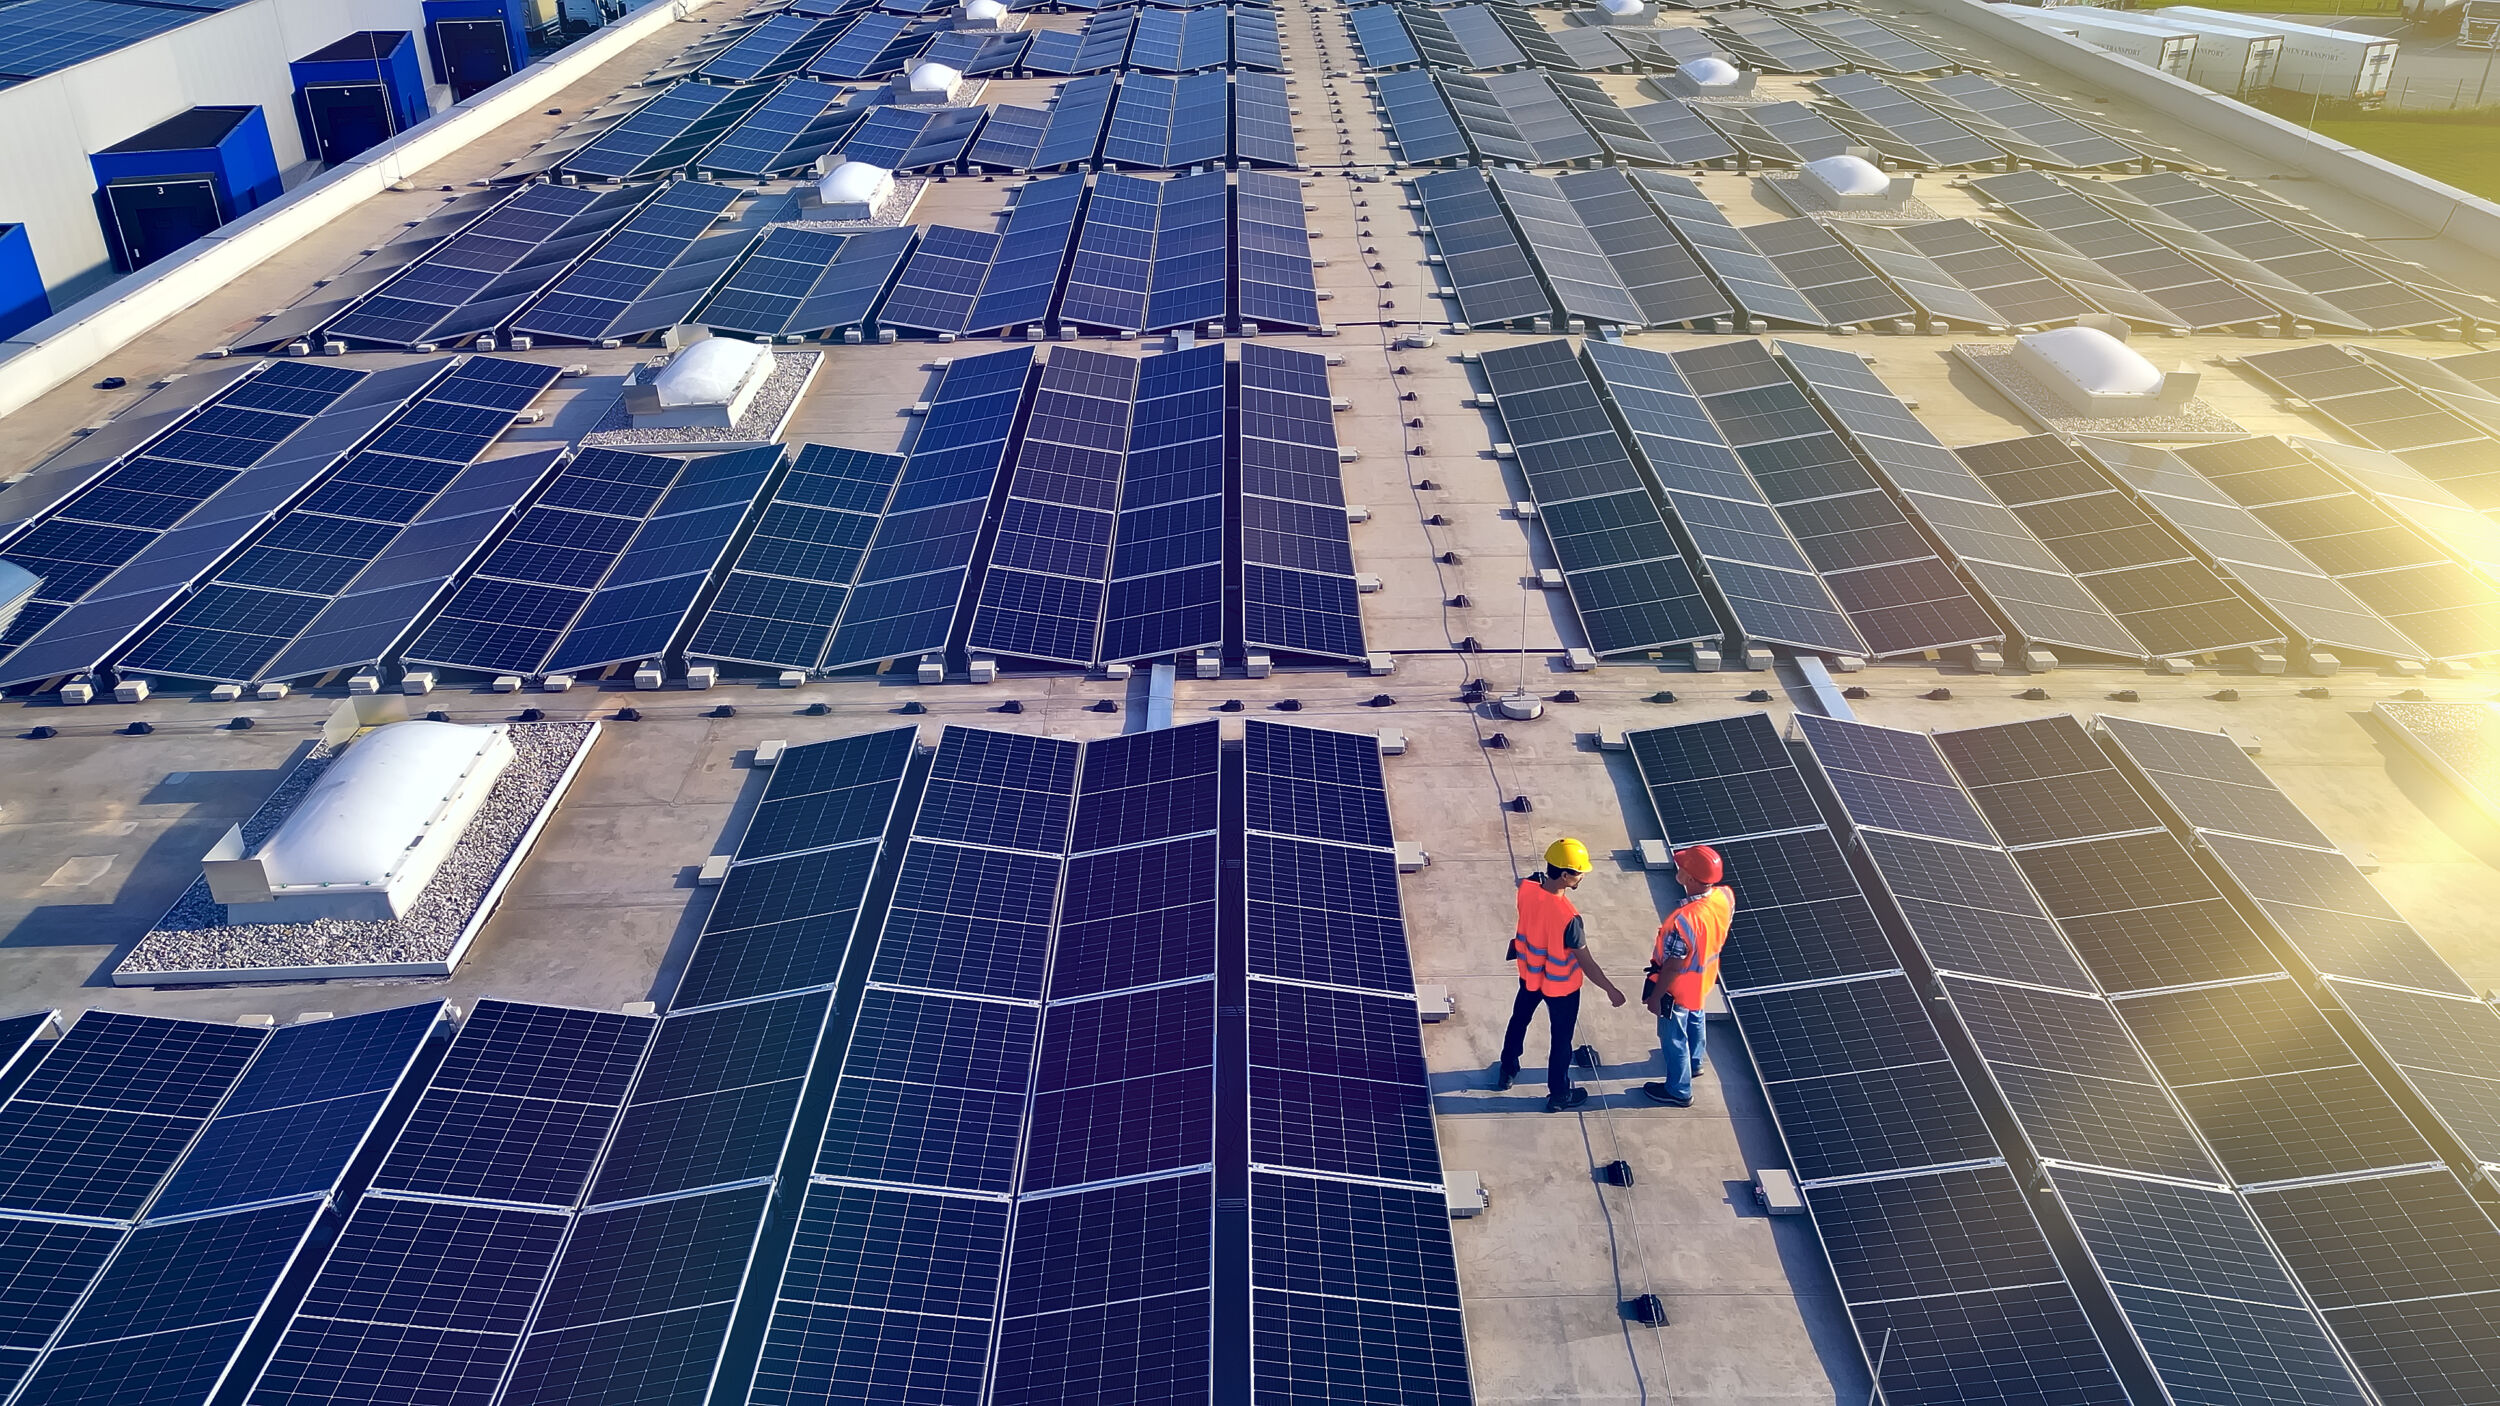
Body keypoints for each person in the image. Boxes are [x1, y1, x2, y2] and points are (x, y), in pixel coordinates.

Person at [1496, 837, 1627, 1112]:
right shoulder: (1570, 917)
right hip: (1561, 988)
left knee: (1519, 1020)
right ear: (1565, 875)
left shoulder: (1527, 889)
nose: (1581, 877)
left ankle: (1507, 1070)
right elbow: (1587, 963)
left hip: (1530, 976)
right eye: (1579, 872)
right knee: (1561, 1042)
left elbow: (1534, 882)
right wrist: (1610, 990)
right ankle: (1558, 1095)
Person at [1645, 845, 1734, 1108]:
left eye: (1683, 867)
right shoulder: (1725, 897)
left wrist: (1656, 997)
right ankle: (1696, 1063)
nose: (1678, 869)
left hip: (1679, 988)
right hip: (1705, 978)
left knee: (1673, 1036)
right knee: (1697, 1017)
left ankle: (1678, 1090)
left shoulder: (1684, 920)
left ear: (1691, 878)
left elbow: (1672, 966)